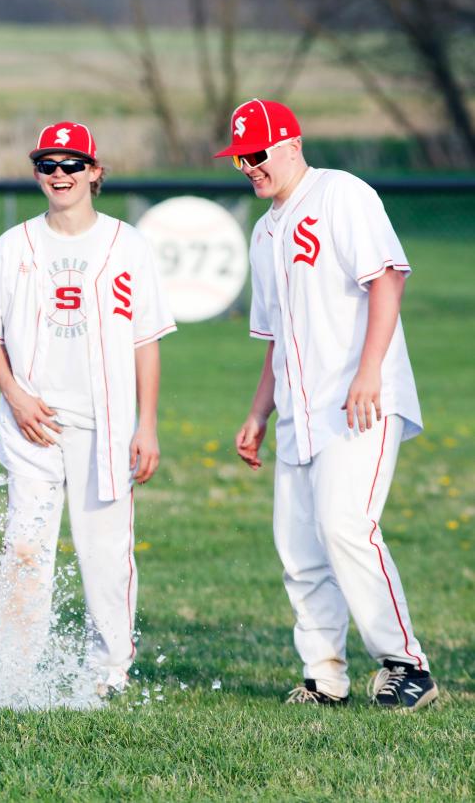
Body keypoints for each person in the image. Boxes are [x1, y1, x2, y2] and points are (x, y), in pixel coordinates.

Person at [219, 98, 437, 710]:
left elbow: (387, 279)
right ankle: (325, 677)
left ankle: (405, 663)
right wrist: (259, 411)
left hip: (359, 401)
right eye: (239, 158)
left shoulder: (342, 194)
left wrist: (370, 371)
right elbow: (273, 339)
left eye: (256, 154)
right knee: (299, 546)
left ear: (290, 144)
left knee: (346, 527)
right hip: (299, 408)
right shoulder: (264, 231)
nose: (248, 167)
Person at [0, 121, 175, 698]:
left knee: (104, 552)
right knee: (26, 546)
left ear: (94, 171)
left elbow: (146, 341)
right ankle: (14, 668)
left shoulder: (126, 244)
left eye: (71, 164)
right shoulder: (13, 245)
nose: (59, 175)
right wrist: (16, 395)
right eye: (47, 165)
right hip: (33, 420)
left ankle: (106, 670)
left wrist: (148, 425)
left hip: (106, 424)